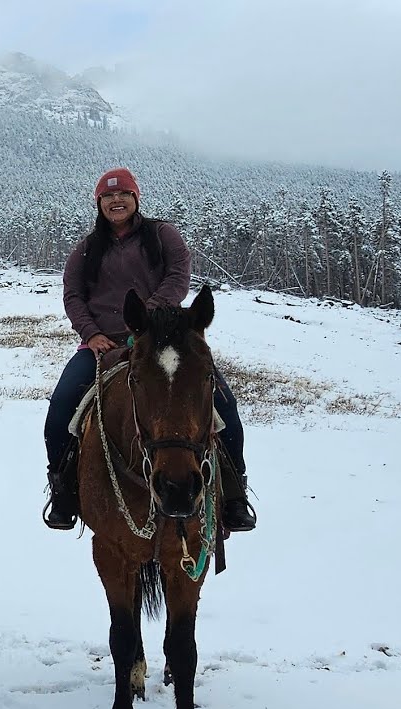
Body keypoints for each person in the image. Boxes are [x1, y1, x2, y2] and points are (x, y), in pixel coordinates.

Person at [42, 168, 257, 533]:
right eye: (108, 196)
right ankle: (63, 494)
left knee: (222, 404)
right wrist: (91, 334)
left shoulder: (162, 235)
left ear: (136, 198)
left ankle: (235, 495)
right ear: (99, 203)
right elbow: (73, 295)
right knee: (62, 407)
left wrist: (148, 320)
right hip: (101, 345)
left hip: (163, 338)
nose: (116, 201)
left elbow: (179, 274)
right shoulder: (87, 248)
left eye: (123, 194)